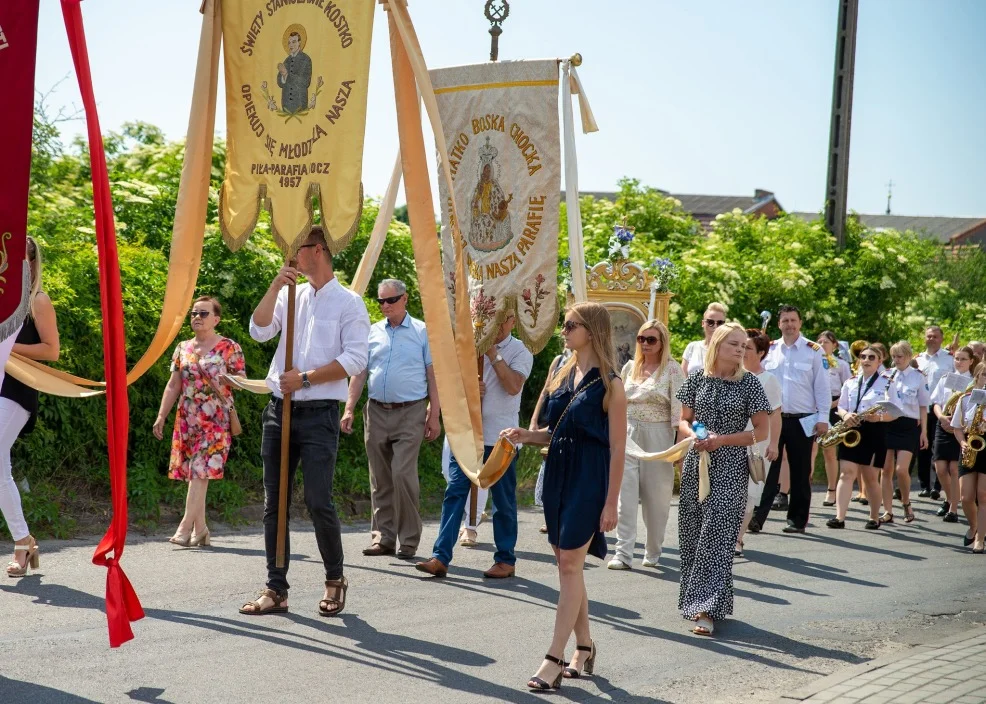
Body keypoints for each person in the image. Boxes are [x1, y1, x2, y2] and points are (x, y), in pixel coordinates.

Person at [239, 226, 370, 617]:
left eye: (296, 247)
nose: (290, 253)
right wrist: (274, 285)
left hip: (318, 414)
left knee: (317, 500)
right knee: (273, 501)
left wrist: (308, 377)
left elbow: (356, 359)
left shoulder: (350, 303)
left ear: (317, 250)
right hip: (280, 410)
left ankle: (334, 579)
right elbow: (259, 330)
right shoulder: (289, 294)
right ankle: (276, 587)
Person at [499, 302, 625, 688]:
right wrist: (526, 434)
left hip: (590, 476)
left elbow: (617, 448)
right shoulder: (559, 370)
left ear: (592, 330)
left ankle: (552, 658)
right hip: (557, 473)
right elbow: (553, 431)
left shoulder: (611, 383)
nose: (564, 331)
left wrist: (610, 503)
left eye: (571, 325)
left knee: (571, 564)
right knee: (566, 565)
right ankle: (584, 644)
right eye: (564, 325)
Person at [416, 312, 532, 580]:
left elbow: (513, 386)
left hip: (502, 438)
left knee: (503, 500)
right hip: (468, 435)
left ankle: (505, 559)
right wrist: (468, 389)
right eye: (496, 318)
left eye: (505, 319)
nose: (500, 324)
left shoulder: (520, 351)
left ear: (513, 321)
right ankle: (440, 556)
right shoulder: (469, 348)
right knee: (455, 491)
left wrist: (492, 354)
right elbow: (450, 386)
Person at [675, 322, 770, 637]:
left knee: (717, 534)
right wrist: (698, 435)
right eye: (734, 344)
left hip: (730, 466)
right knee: (693, 532)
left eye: (743, 345)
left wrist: (721, 440)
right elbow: (685, 420)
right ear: (717, 344)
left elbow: (761, 431)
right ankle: (705, 601)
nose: (741, 349)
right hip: (697, 463)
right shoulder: (696, 379)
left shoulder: (750, 384)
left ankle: (705, 609)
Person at [342, 279, 440, 560]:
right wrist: (349, 408)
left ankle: (408, 539)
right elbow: (359, 372)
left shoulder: (422, 332)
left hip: (410, 411)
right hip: (375, 410)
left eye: (391, 300)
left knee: (401, 473)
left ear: (405, 299)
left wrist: (434, 414)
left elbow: (434, 376)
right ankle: (383, 537)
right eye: (381, 301)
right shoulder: (372, 332)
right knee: (380, 477)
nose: (385, 306)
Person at [154, 296, 246, 547]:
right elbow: (173, 385)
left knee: (199, 470)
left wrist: (226, 380)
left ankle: (185, 527)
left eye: (204, 314)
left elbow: (242, 379)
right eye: (194, 313)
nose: (197, 317)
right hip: (187, 419)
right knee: (197, 473)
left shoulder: (229, 347)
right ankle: (202, 529)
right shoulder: (183, 348)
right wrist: (162, 415)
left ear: (216, 319)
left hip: (216, 420)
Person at [2, 237, 59, 577]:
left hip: (16, 392)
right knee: (0, 471)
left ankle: (23, 542)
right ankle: (24, 541)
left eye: (20, 256)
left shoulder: (38, 300)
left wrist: (9, 349)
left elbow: (52, 350)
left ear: (32, 261)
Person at [609, 320, 684, 570]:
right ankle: (623, 553)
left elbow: (679, 414)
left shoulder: (672, 370)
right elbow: (617, 403)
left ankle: (653, 551)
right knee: (624, 495)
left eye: (651, 339)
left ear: (663, 342)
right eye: (641, 338)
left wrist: (680, 450)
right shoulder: (629, 367)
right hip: (628, 432)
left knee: (656, 498)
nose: (645, 344)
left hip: (658, 435)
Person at [750, 305, 829, 534]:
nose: (789, 325)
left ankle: (796, 520)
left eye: (793, 320)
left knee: (800, 471)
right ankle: (757, 518)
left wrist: (823, 417)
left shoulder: (813, 350)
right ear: (779, 324)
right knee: (767, 469)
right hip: (773, 417)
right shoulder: (771, 349)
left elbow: (822, 388)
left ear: (800, 322)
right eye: (785, 320)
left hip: (802, 419)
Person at [826, 344, 894, 530]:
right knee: (846, 473)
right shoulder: (851, 381)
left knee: (870, 477)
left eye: (872, 357)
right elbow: (841, 406)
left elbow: (896, 412)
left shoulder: (887, 382)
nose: (866, 360)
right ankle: (839, 517)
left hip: (875, 431)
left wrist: (877, 417)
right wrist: (846, 415)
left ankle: (874, 517)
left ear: (880, 361)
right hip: (852, 429)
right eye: (863, 356)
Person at [735, 329, 782, 557]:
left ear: (761, 353)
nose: (742, 351)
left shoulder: (768, 380)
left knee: (750, 494)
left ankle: (738, 539)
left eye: (748, 348)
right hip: (732, 441)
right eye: (740, 347)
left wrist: (774, 444)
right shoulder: (732, 375)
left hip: (758, 444)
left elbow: (775, 415)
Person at [879, 341, 929, 524]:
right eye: (894, 356)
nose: (896, 360)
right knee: (885, 470)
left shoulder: (918, 377)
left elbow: (924, 407)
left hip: (909, 425)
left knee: (901, 470)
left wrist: (924, 432)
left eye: (900, 356)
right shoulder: (886, 375)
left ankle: (906, 502)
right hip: (888, 423)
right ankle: (888, 511)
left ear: (909, 356)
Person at [931, 346, 978, 524]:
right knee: (940, 469)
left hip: (961, 427)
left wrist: (959, 424)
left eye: (963, 359)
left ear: (971, 361)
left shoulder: (974, 382)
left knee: (953, 468)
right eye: (957, 358)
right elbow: (936, 402)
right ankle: (951, 498)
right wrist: (942, 417)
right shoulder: (945, 378)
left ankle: (952, 509)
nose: (959, 362)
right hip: (943, 424)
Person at [811, 331, 852, 507]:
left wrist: (834, 404)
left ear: (834, 345)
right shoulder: (812, 361)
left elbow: (848, 388)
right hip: (814, 408)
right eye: (819, 341)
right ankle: (805, 487)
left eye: (826, 341)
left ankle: (831, 490)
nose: (822, 344)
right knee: (810, 452)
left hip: (833, 408)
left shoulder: (841, 365)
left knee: (829, 452)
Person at [951, 362, 986, 551]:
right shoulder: (965, 399)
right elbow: (957, 427)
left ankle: (980, 538)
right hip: (970, 446)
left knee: (983, 495)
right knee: (966, 497)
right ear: (977, 377)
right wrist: (963, 443)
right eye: (985, 375)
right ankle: (974, 525)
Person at [916, 326, 953, 498]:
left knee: (938, 451)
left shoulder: (949, 360)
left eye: (935, 336)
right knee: (923, 448)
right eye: (929, 336)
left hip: (941, 409)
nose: (931, 339)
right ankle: (924, 485)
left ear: (942, 339)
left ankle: (938, 487)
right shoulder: (918, 359)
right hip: (921, 409)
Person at [680, 302, 726, 376]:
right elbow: (681, 379)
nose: (715, 326)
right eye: (710, 322)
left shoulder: (729, 349)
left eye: (720, 323)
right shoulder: (692, 347)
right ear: (703, 323)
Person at [277, 31, 312, 113]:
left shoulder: (306, 59)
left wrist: (286, 74)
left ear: (299, 42)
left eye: (294, 42)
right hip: (286, 106)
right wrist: (282, 76)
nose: (291, 45)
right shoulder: (286, 60)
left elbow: (305, 82)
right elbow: (279, 83)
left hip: (299, 105)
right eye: (289, 42)